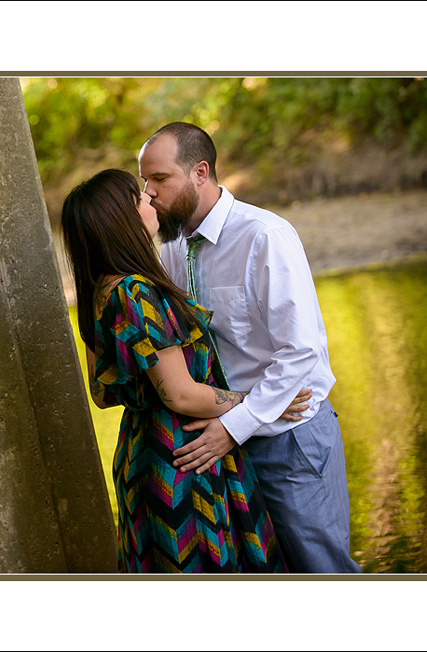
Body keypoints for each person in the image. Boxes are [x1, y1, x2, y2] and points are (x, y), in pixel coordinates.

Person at [138, 122, 363, 573]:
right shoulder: (170, 248)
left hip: (289, 438)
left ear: (200, 172)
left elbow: (301, 352)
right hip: (221, 446)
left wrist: (234, 426)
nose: (148, 194)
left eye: (159, 179)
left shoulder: (264, 236)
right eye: (144, 181)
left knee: (323, 571)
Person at [61, 168, 309, 573]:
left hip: (141, 453)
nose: (150, 199)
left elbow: (103, 395)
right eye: (139, 198)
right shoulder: (135, 291)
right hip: (184, 457)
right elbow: (179, 394)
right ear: (123, 218)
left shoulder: (99, 292)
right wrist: (264, 402)